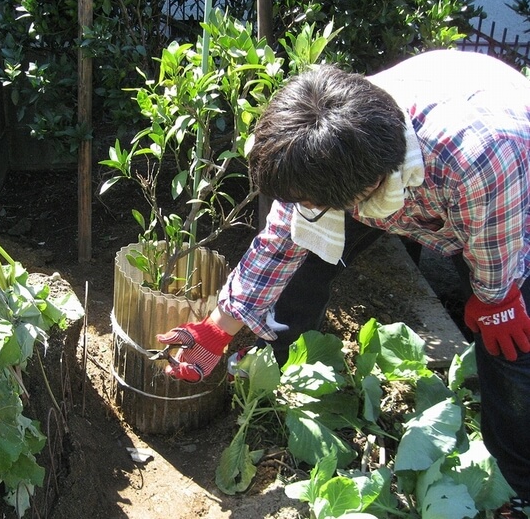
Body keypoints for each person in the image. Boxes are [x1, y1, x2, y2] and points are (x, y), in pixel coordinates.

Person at [155, 50, 530, 518]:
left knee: (513, 350)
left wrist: (497, 299)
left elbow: (499, 253)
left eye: (311, 201)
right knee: (304, 255)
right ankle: (283, 366)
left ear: (365, 190)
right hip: (402, 160)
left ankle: (521, 483)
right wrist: (216, 329)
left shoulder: (479, 160)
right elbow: (281, 241)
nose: (302, 205)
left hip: (504, 188)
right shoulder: (327, 142)